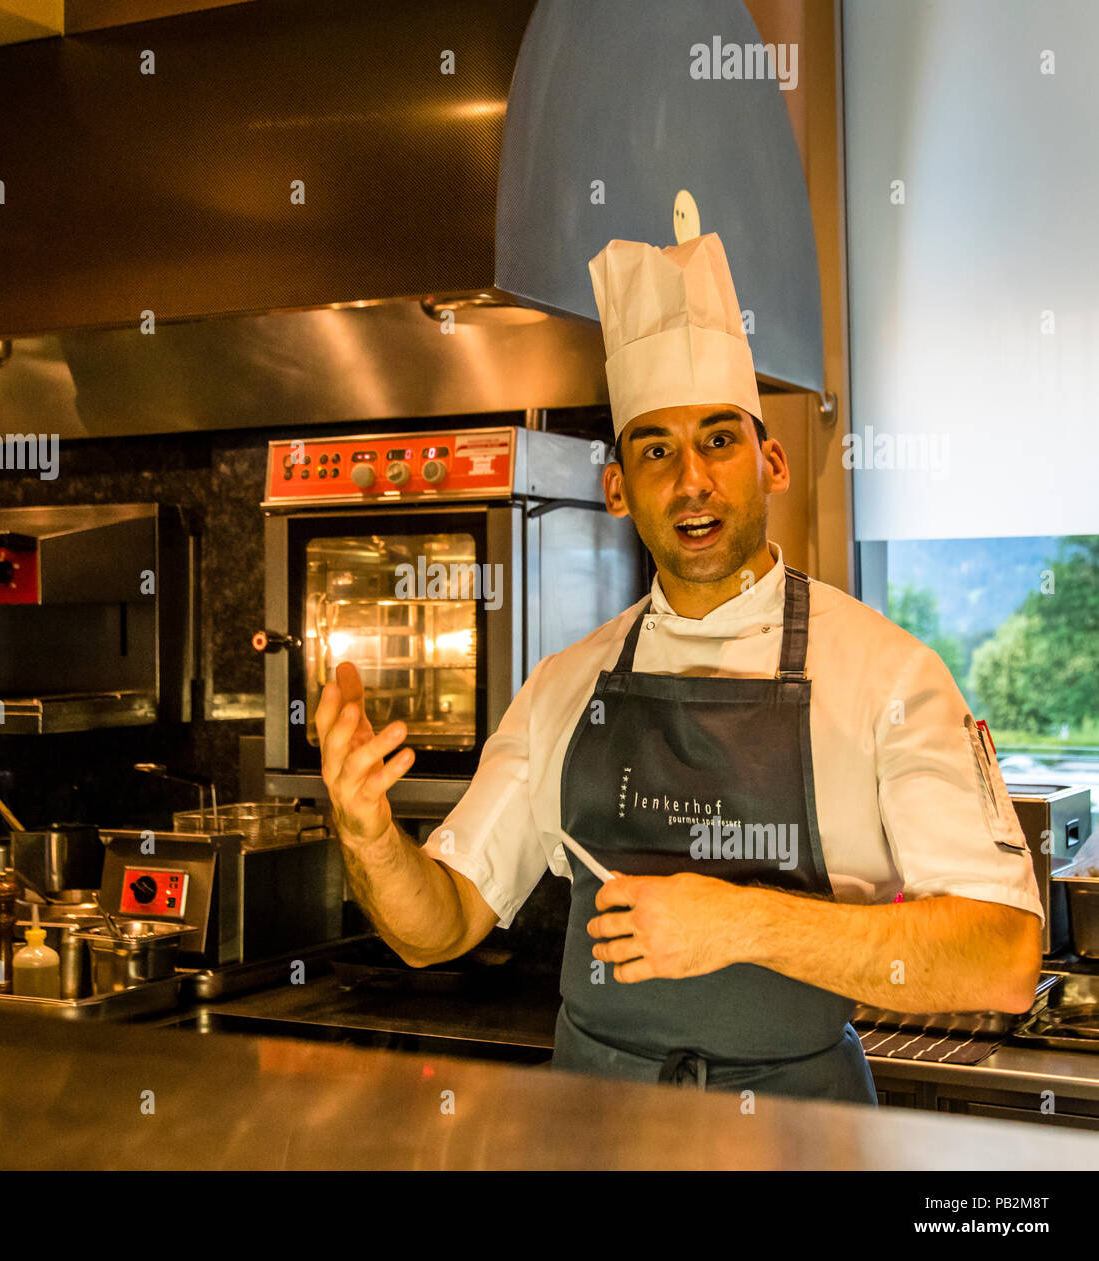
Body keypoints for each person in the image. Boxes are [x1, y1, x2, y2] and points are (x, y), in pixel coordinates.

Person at [315, 233, 1043, 1103]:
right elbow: (439, 925)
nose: (691, 479)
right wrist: (368, 836)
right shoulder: (563, 686)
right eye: (656, 449)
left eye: (719, 441)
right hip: (594, 1135)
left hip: (798, 1143)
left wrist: (738, 921)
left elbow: (999, 957)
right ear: (618, 487)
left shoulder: (889, 675)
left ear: (771, 461)